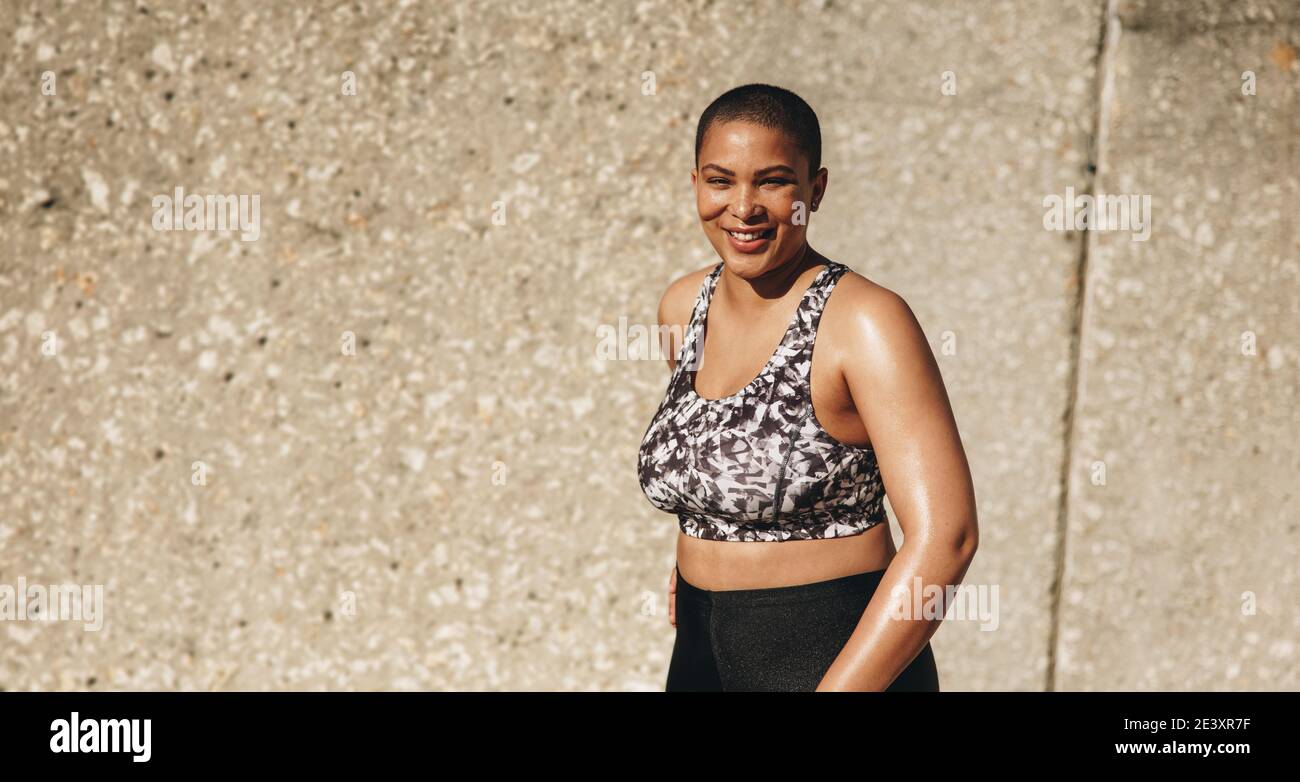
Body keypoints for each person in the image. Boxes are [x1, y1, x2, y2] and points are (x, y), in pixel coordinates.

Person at [637, 84, 979, 691]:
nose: (743, 207)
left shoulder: (865, 322)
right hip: (698, 651)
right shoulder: (683, 304)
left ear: (814, 190)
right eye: (721, 181)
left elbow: (946, 539)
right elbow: (714, 458)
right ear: (695, 184)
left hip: (830, 656)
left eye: (772, 181)